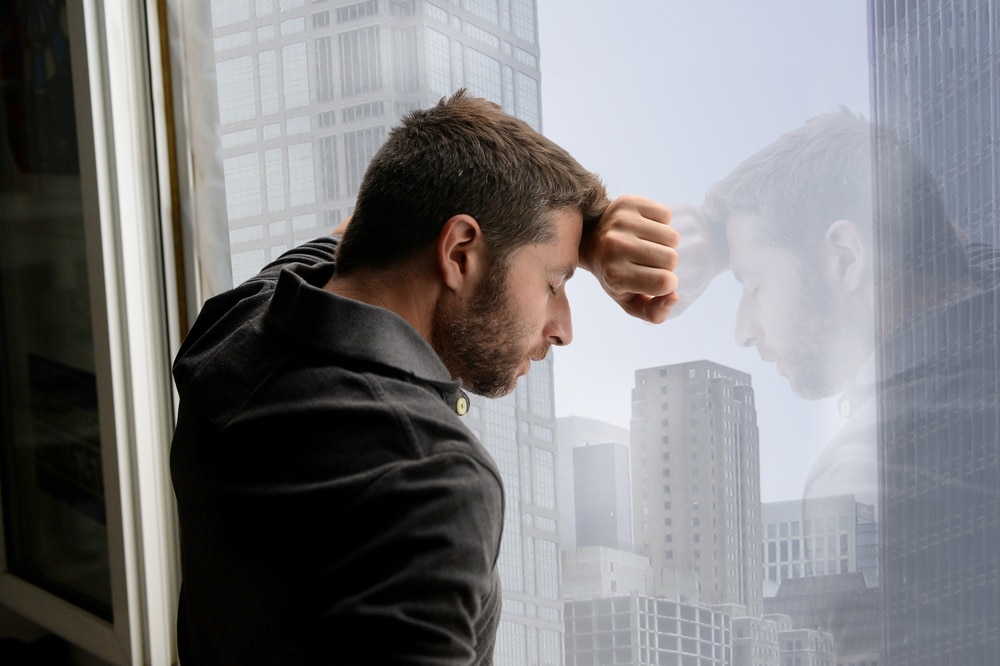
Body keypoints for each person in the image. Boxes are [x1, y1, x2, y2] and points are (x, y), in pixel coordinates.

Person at [169, 90, 679, 665]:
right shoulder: (430, 479)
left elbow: (375, 227)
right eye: (554, 284)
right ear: (460, 252)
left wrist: (578, 235)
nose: (563, 329)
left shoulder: (239, 324)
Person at [657, 110, 999, 663]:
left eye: (755, 285)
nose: (744, 329)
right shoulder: (982, 313)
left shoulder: (876, 471)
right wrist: (731, 243)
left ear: (845, 258)